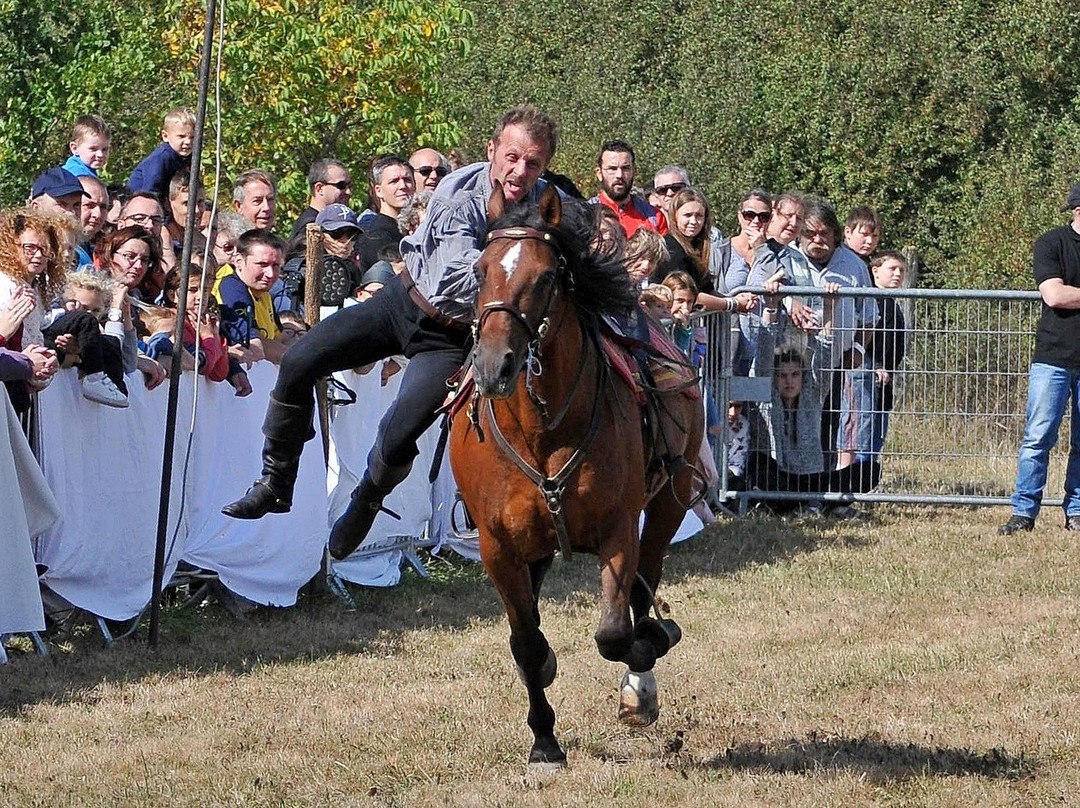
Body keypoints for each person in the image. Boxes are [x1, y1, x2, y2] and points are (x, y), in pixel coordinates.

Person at [221, 104, 560, 564]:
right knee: (301, 360)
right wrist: (514, 274)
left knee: (398, 434)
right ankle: (275, 482)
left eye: (533, 162)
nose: (520, 170)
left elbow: (583, 244)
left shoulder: (549, 206)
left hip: (453, 339)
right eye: (512, 156)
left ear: (544, 166)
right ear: (492, 150)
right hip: (402, 302)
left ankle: (366, 501)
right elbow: (448, 278)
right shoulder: (458, 192)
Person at [1000, 183, 1080, 534]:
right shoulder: (1052, 243)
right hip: (1054, 357)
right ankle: (1024, 512)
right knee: (1038, 437)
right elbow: (1055, 295)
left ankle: (1076, 512)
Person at [846, 250, 908, 466]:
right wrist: (874, 365)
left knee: (876, 433)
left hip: (884, 383)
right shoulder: (871, 301)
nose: (898, 274)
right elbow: (863, 337)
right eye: (892, 269)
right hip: (867, 376)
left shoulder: (891, 303)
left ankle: (866, 476)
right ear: (875, 271)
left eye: (902, 270)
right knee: (862, 433)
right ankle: (856, 478)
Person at [652, 188, 755, 315]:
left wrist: (737, 299)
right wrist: (733, 304)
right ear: (675, 216)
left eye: (699, 216)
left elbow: (707, 290)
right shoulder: (671, 249)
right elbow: (694, 298)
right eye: (687, 215)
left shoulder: (696, 248)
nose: (694, 222)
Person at [40, 270, 129, 407]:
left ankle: (116, 387)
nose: (90, 314)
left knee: (111, 341)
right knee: (86, 321)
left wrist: (78, 354)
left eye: (96, 310)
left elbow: (128, 359)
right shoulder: (58, 316)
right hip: (49, 340)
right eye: (83, 307)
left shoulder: (95, 329)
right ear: (65, 303)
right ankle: (95, 378)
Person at [212, 229, 288, 364]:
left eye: (275, 266)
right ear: (239, 261)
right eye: (262, 264)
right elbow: (250, 341)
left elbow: (279, 339)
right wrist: (301, 359)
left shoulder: (263, 292)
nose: (270, 274)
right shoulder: (230, 286)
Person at [590, 139, 666, 237]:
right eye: (612, 169)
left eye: (625, 168)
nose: (619, 175)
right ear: (599, 174)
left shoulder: (655, 217)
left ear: (634, 171)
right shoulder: (585, 216)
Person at [356, 154, 415, 272]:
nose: (403, 186)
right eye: (394, 181)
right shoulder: (376, 237)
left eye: (407, 180)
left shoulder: (413, 230)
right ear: (378, 191)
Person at [127, 107, 195, 201]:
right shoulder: (161, 159)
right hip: (141, 202)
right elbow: (150, 191)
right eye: (181, 136)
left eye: (192, 137)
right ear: (165, 136)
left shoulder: (188, 158)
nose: (188, 141)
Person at [289, 158, 352, 239]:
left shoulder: (327, 223)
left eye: (349, 185)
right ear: (319, 188)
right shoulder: (310, 227)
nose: (348, 192)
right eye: (341, 185)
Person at [75, 175, 109, 268]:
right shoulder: (61, 250)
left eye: (103, 207)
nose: (97, 214)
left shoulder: (101, 250)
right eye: (89, 205)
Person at [62, 114, 111, 179]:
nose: (100, 154)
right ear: (75, 148)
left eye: (105, 149)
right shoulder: (78, 175)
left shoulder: (87, 170)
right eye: (93, 149)